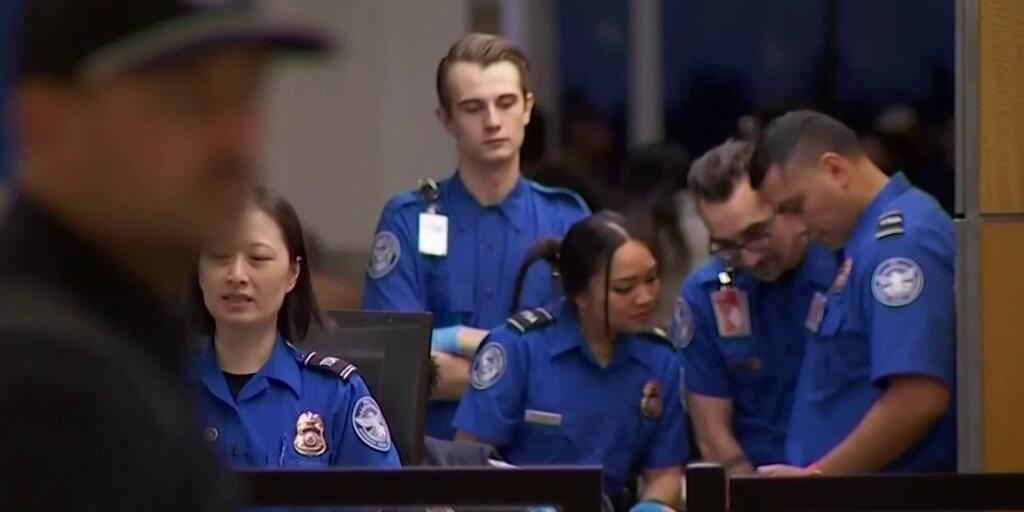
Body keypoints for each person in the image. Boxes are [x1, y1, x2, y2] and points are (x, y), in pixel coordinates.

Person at [0, 0, 329, 508]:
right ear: (46, 123)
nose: (234, 143)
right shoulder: (49, 391)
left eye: (245, 94)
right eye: (184, 97)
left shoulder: (127, 338)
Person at [362, 33, 589, 439]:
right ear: (446, 119)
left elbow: (584, 362)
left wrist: (455, 347)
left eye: (505, 103)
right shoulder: (407, 220)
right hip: (433, 463)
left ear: (528, 108)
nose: (492, 121)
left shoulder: (568, 218)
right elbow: (394, 362)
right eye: (472, 107)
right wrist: (518, 373)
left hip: (541, 461)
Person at [750, 110, 955, 474]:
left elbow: (919, 396)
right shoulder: (861, 245)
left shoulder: (900, 244)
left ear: (836, 170)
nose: (797, 228)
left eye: (796, 207)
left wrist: (818, 479)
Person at [454, 212, 687, 512]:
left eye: (651, 279)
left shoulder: (659, 360)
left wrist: (652, 506)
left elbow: (665, 471)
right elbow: (466, 465)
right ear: (579, 294)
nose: (644, 298)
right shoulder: (519, 349)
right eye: (624, 288)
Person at [188, 186, 401, 468]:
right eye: (219, 257)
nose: (237, 275)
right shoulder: (159, 388)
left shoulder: (336, 394)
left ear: (292, 274)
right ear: (198, 272)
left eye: (258, 259)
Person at [672, 139, 836, 476]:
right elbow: (714, 437)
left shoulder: (846, 273)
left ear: (789, 205)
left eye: (757, 233)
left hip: (848, 484)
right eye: (728, 246)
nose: (749, 257)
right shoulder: (706, 296)